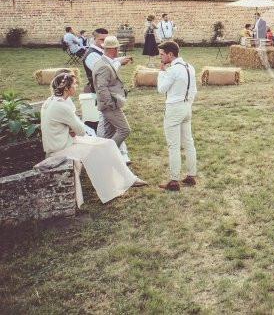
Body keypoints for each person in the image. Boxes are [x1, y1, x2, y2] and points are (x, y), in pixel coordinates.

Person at [40, 73, 146, 202]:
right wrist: (73, 129)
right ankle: (113, 189)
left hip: (65, 142)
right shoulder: (61, 106)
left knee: (109, 144)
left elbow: (73, 127)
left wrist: (71, 129)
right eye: (74, 84)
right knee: (101, 150)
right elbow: (81, 130)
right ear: (66, 88)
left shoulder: (52, 100)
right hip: (61, 148)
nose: (76, 86)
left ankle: (128, 179)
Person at [156, 41, 198, 191]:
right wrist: (188, 104)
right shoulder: (190, 67)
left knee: (173, 145)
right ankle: (191, 176)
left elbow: (161, 89)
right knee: (188, 142)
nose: (160, 57)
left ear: (170, 54)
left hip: (174, 108)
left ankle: (174, 180)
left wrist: (161, 72)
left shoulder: (173, 70)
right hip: (187, 107)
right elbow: (194, 91)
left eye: (162, 55)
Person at [92, 35, 132, 151]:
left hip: (109, 104)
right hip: (109, 105)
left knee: (109, 133)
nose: (118, 51)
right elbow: (101, 88)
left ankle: (106, 155)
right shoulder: (104, 66)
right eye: (117, 48)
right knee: (124, 130)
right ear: (112, 49)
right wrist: (111, 104)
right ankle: (108, 153)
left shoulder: (105, 62)